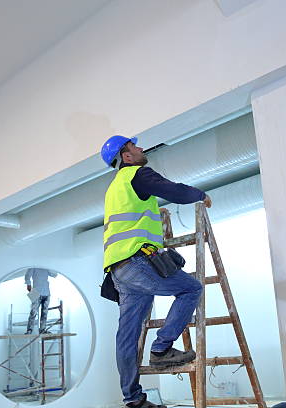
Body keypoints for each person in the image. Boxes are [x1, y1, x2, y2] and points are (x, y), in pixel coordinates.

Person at [101, 135, 212, 408]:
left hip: (118, 271)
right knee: (192, 288)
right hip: (137, 262)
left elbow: (132, 215)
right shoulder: (137, 174)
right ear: (126, 157)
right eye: (134, 147)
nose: (140, 149)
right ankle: (161, 349)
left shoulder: (115, 187)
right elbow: (173, 190)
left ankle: (133, 399)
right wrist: (200, 195)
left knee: (127, 335)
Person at [24, 268, 57, 334]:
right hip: (36, 292)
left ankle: (42, 330)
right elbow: (27, 276)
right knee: (33, 312)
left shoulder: (46, 267)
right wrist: (28, 284)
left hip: (46, 293)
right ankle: (29, 330)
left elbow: (54, 275)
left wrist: (50, 266)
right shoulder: (34, 266)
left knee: (44, 313)